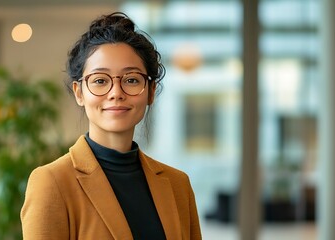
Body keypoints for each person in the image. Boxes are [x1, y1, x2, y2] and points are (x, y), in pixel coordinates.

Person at [20, 12, 202, 240]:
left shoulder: (179, 185)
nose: (116, 93)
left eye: (132, 80)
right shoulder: (52, 182)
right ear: (79, 92)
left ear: (151, 91)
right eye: (100, 80)